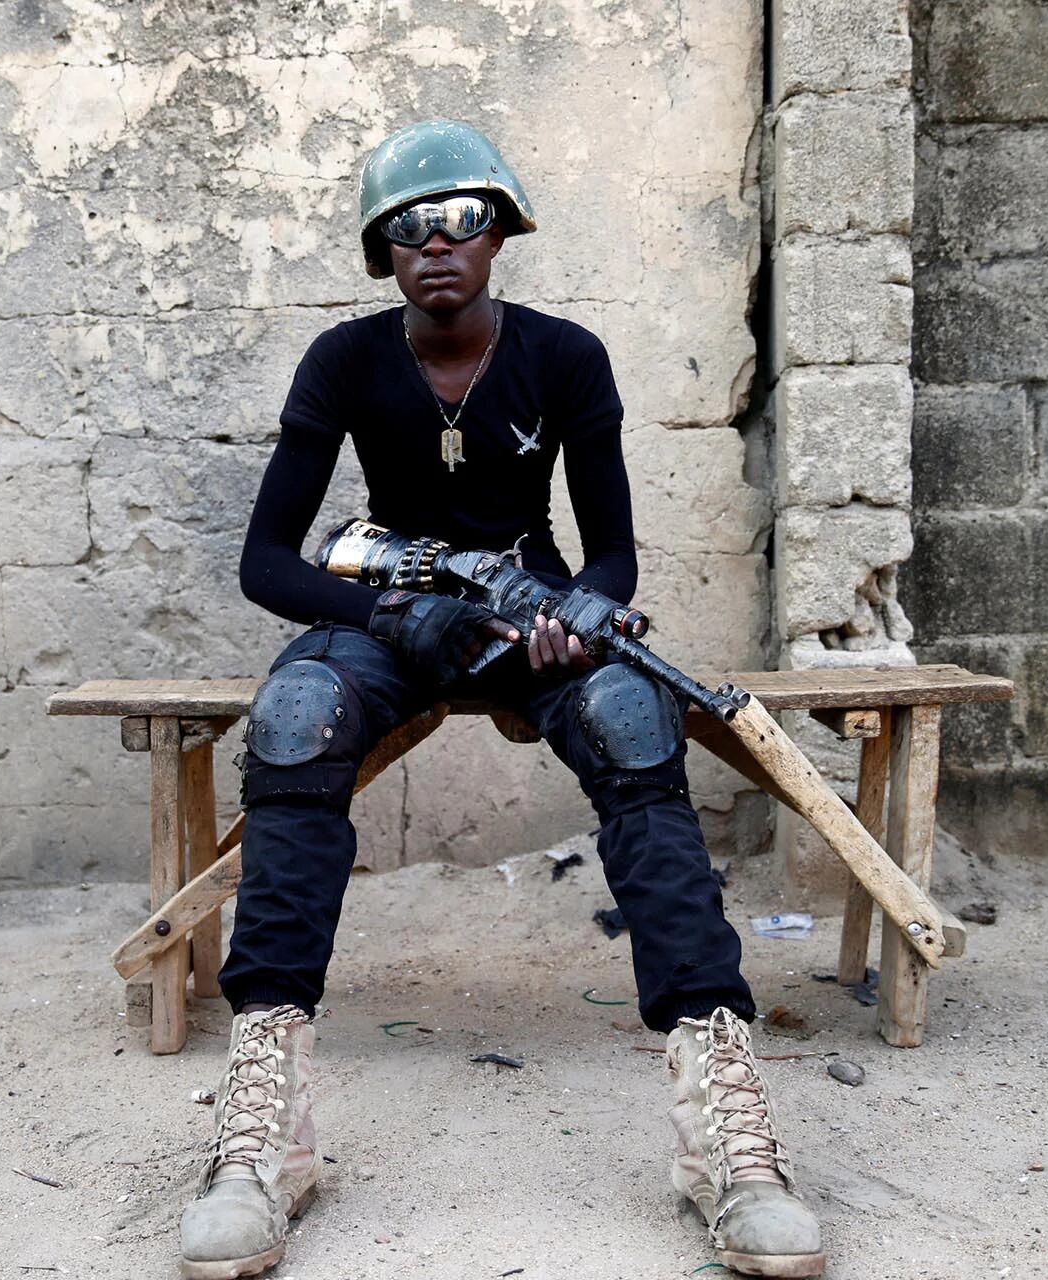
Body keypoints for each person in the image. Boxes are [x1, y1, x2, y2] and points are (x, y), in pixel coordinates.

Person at [176, 120, 825, 1280]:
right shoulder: (342, 360)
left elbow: (614, 554)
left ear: (501, 235)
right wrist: (387, 614)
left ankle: (725, 1139)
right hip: (388, 622)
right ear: (383, 253)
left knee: (636, 718)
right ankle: (262, 1141)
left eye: (462, 220)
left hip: (524, 614)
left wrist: (576, 608)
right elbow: (268, 559)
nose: (436, 244)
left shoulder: (566, 357)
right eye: (408, 227)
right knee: (292, 720)